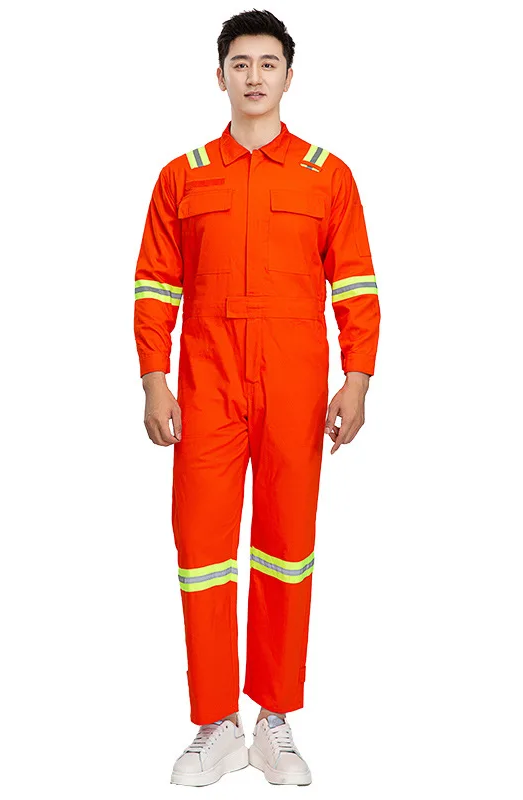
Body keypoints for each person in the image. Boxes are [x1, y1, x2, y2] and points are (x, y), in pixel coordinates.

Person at [133, 8, 380, 787]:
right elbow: (154, 284)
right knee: (202, 551)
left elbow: (356, 283)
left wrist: (358, 377)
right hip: (206, 381)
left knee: (285, 548)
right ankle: (216, 724)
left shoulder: (325, 174)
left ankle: (273, 718)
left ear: (288, 77)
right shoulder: (182, 175)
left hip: (295, 381)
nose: (253, 76)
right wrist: (153, 377)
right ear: (220, 77)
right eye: (240, 64)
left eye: (267, 64)